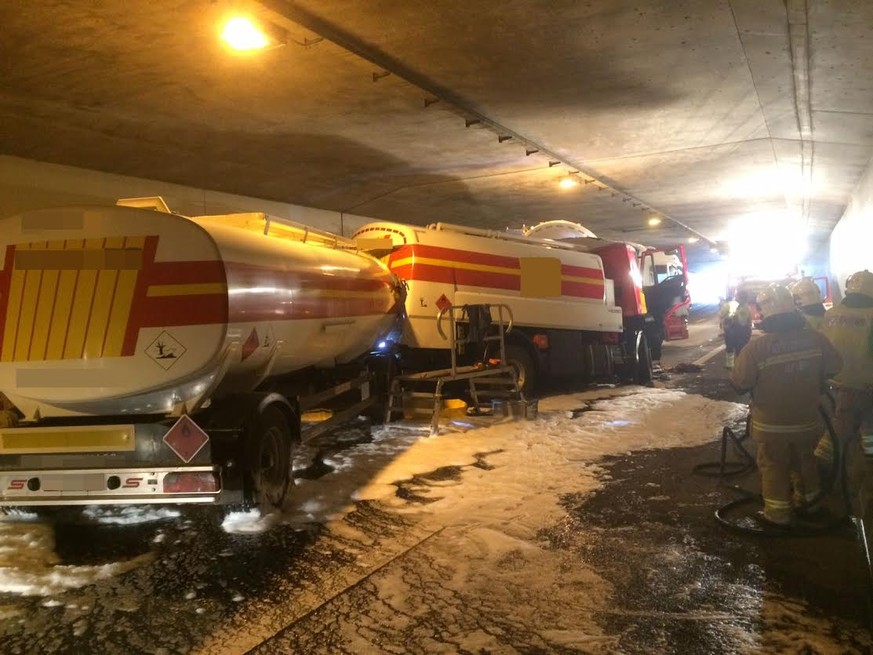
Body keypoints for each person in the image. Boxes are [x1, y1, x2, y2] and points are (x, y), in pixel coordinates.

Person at [731, 284, 842, 527]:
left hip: (771, 425)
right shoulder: (816, 339)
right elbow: (834, 367)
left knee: (774, 466)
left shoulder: (756, 348)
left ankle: (778, 515)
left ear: (764, 311)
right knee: (806, 462)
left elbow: (740, 383)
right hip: (807, 421)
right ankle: (810, 505)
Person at [815, 270, 873, 520]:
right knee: (868, 432)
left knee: (835, 433)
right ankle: (865, 477)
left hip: (836, 386)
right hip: (867, 387)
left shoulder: (832, 313)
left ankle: (821, 478)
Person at [721, 290, 752, 368]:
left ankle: (737, 366)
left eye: (738, 296)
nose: (736, 298)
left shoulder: (744, 308)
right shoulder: (738, 306)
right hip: (736, 331)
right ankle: (731, 365)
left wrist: (730, 322)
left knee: (739, 349)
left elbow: (743, 322)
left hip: (740, 332)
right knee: (732, 348)